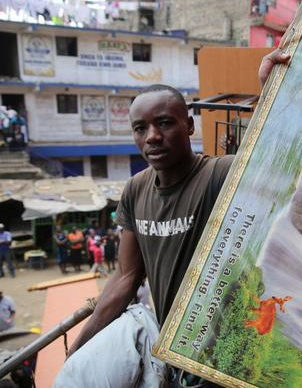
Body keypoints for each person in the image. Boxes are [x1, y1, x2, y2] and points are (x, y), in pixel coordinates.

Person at [66, 51, 289, 386]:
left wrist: (273, 90)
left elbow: (277, 158)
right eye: (140, 128)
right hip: (178, 358)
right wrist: (80, 350)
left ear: (189, 125)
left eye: (165, 123)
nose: (152, 136)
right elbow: (126, 277)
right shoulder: (135, 191)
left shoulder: (218, 175)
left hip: (226, 355)